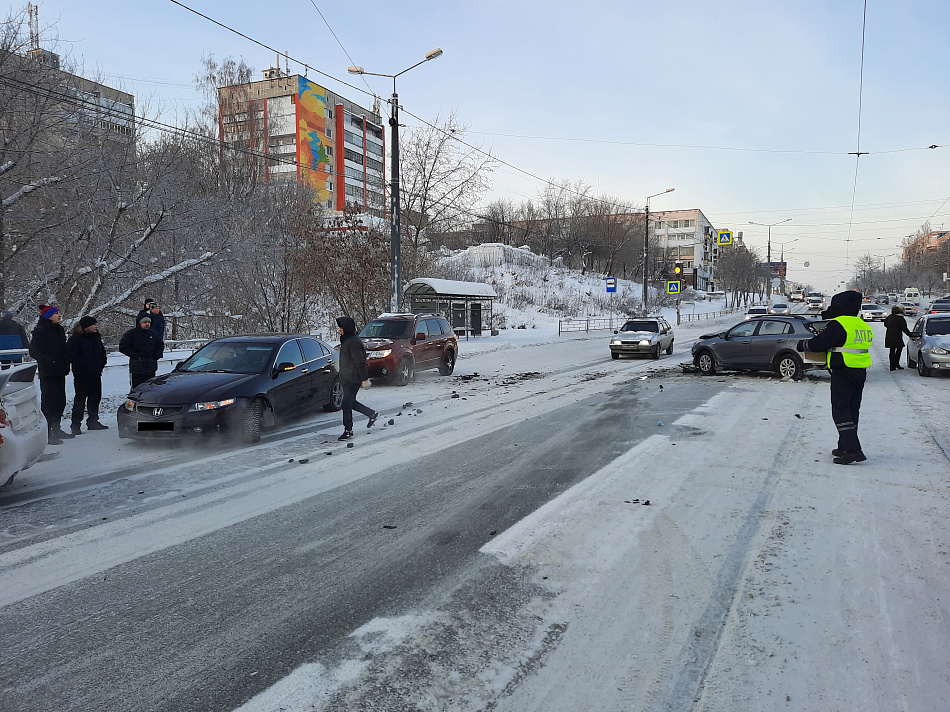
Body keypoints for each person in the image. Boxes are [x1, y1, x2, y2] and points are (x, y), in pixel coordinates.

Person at [797, 290, 872, 465]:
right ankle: (845, 445)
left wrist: (804, 344)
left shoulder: (839, 323)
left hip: (843, 371)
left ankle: (853, 450)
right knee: (852, 410)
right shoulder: (861, 324)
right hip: (859, 371)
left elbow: (819, 344)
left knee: (840, 410)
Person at [29, 304, 75, 444]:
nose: (59, 315)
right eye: (56, 313)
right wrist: (49, 361)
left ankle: (57, 428)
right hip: (48, 372)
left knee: (60, 400)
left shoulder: (59, 329)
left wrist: (66, 361)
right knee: (49, 402)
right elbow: (34, 351)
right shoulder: (40, 331)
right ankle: (47, 432)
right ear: (48, 316)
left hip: (60, 371)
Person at [336, 316, 378, 441]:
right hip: (347, 377)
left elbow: (360, 362)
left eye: (341, 328)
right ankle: (371, 414)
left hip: (354, 378)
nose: (340, 330)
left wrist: (365, 379)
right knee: (350, 402)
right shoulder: (347, 340)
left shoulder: (353, 342)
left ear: (347, 329)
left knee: (346, 403)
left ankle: (348, 430)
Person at [66, 316, 109, 434]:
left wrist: (101, 364)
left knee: (95, 398)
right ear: (86, 327)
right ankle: (75, 424)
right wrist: (84, 367)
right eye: (93, 325)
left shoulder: (96, 338)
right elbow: (73, 356)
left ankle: (93, 421)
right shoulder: (75, 340)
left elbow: (102, 353)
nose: (96, 327)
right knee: (80, 399)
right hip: (82, 375)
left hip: (96, 374)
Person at [119, 314, 164, 389]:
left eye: (149, 322)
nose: (147, 324)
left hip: (151, 368)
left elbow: (160, 345)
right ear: (140, 323)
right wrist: (136, 357)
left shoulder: (153, 334)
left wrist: (156, 356)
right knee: (137, 389)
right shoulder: (131, 333)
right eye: (145, 322)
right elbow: (123, 347)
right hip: (137, 368)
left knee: (150, 389)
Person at [883, 305, 912, 371]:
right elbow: (904, 328)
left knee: (892, 350)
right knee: (899, 349)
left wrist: (891, 328)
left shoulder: (890, 317)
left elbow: (885, 324)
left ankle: (892, 366)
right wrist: (910, 334)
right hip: (897, 336)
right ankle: (896, 364)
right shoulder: (900, 318)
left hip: (889, 335)